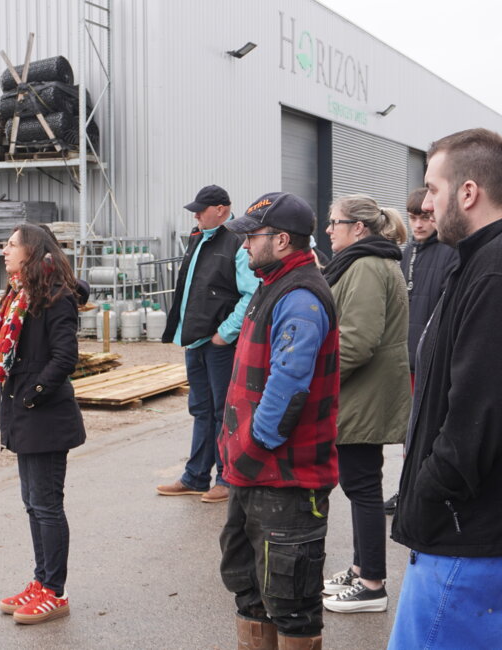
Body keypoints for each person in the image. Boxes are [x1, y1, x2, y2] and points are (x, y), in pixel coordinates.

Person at [388, 129, 502, 648]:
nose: (426, 204)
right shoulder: (494, 256)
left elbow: (480, 415)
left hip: (473, 545)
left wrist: (426, 499)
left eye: (433, 189)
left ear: (468, 192)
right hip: (496, 536)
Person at [218, 192, 340, 650]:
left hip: (285, 478)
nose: (245, 244)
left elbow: (287, 389)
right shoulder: (272, 283)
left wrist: (250, 449)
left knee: (291, 604)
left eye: (253, 236)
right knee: (250, 592)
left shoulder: (301, 298)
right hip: (254, 473)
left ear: (282, 240)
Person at [0, 223, 86, 625]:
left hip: (44, 416)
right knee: (33, 504)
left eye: (12, 245)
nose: (4, 250)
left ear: (31, 251)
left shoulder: (55, 298)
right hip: (24, 415)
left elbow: (65, 358)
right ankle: (41, 579)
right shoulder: (20, 295)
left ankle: (54, 591)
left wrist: (33, 394)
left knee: (47, 506)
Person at [320, 194, 411, 614]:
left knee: (362, 487)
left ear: (358, 227)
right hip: (363, 390)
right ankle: (361, 569)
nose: (328, 229)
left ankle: (372, 584)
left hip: (363, 392)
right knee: (361, 484)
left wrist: (320, 384)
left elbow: (357, 341)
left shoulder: (368, 266)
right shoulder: (365, 261)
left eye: (334, 222)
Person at [156, 185, 259, 504]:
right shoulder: (199, 237)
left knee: (223, 411)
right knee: (201, 409)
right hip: (197, 340)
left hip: (219, 344)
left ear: (222, 209)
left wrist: (225, 333)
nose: (196, 215)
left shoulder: (237, 242)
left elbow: (252, 293)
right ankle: (196, 477)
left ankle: (227, 478)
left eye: (201, 210)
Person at [383, 187, 456, 515]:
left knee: (428, 430)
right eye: (413, 218)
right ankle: (406, 489)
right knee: (408, 432)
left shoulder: (450, 252)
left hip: (431, 362)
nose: (419, 224)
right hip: (404, 361)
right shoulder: (406, 252)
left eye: (425, 217)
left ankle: (422, 494)